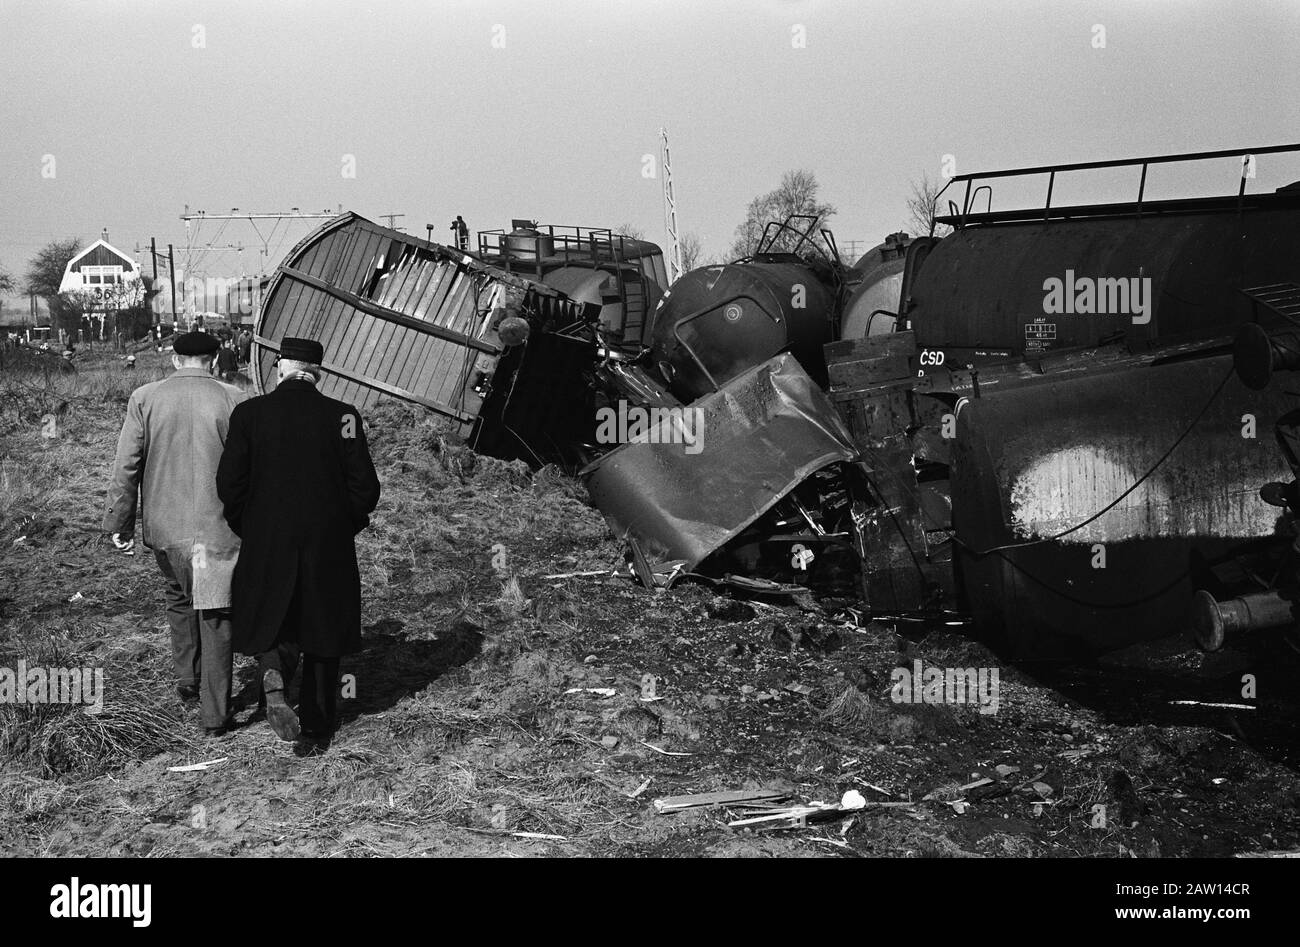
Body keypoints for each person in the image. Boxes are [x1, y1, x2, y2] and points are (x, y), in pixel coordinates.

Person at [217, 337, 380, 747]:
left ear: (280, 367)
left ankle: (273, 676)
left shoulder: (249, 413)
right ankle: (317, 725)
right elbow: (366, 489)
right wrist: (343, 525)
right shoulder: (344, 416)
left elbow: (228, 485)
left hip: (266, 536)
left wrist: (249, 525)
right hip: (328, 541)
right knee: (323, 624)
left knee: (274, 611)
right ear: (317, 371)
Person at [104, 332, 246, 736]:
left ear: (173, 358)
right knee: (216, 612)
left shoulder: (145, 398)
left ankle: (188, 681)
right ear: (215, 359)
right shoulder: (234, 399)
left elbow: (126, 464)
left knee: (180, 598)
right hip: (217, 528)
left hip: (165, 527)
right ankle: (215, 714)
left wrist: (119, 521)